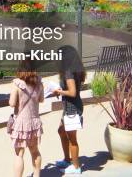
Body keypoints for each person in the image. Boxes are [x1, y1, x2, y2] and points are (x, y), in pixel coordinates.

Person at [8, 58, 44, 177]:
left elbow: (12, 103)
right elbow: (41, 99)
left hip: (21, 123)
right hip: (34, 122)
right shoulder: (39, 82)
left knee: (19, 154)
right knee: (35, 151)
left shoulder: (17, 83)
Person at [53, 45, 86, 175]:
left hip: (72, 108)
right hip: (70, 107)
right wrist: (60, 92)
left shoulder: (68, 72)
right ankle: (67, 160)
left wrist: (59, 91)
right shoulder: (73, 69)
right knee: (61, 131)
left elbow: (72, 92)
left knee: (72, 139)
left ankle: (76, 167)